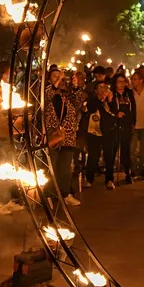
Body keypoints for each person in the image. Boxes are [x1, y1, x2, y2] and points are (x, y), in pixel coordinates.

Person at [45, 69, 82, 205]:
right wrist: (56, 83)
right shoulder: (47, 93)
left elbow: (79, 100)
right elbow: (45, 96)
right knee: (51, 167)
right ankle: (48, 194)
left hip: (68, 137)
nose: (59, 79)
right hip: (52, 136)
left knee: (65, 168)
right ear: (49, 80)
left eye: (61, 77)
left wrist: (76, 85)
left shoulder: (69, 96)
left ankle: (65, 194)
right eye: (55, 77)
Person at [85, 81, 118, 189]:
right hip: (94, 132)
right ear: (96, 90)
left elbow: (115, 112)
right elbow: (92, 108)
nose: (103, 89)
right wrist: (102, 99)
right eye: (100, 87)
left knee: (109, 157)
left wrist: (110, 100)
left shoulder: (112, 100)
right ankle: (89, 178)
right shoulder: (92, 100)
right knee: (93, 157)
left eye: (105, 87)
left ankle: (109, 179)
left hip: (108, 132)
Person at [127, 72, 144, 181]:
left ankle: (141, 169)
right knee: (132, 149)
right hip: (134, 125)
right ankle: (133, 170)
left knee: (143, 149)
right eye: (132, 79)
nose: (132, 81)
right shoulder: (130, 94)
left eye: (135, 79)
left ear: (141, 80)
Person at [112, 74, 134, 182]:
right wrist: (116, 113)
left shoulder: (129, 93)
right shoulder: (112, 94)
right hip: (115, 124)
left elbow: (133, 107)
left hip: (127, 124)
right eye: (118, 81)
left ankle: (127, 173)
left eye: (122, 81)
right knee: (113, 148)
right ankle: (110, 175)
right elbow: (110, 107)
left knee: (126, 149)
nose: (121, 84)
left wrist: (133, 121)